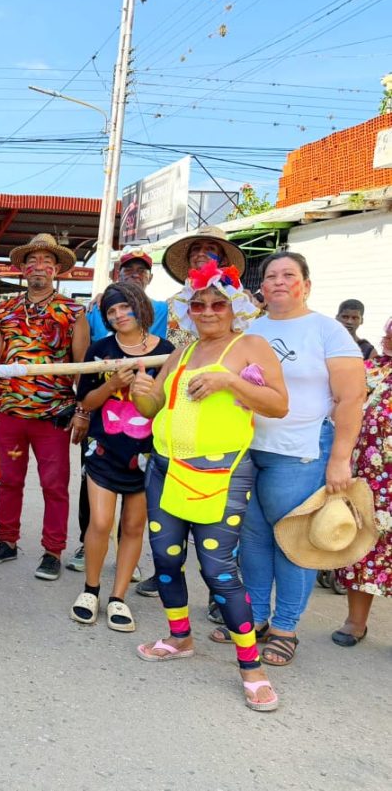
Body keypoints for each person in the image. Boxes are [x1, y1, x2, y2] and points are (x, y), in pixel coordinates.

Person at [132, 259, 287, 711]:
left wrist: (229, 380)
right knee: (165, 559)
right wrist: (139, 386)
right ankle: (179, 638)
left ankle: (251, 668)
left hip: (221, 473)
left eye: (218, 302)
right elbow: (152, 406)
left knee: (219, 570)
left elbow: (279, 405)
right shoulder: (181, 351)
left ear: (234, 306)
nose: (208, 310)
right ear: (188, 310)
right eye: (198, 303)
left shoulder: (251, 344)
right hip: (164, 467)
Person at [230, 252, 366, 667]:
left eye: (289, 275)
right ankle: (254, 619)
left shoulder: (328, 331)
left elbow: (351, 398)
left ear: (306, 284)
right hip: (249, 451)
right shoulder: (249, 330)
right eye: (270, 276)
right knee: (252, 541)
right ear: (261, 287)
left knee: (295, 543)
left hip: (302, 453)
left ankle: (285, 628)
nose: (278, 282)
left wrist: (340, 458)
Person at [0, 234, 89, 580]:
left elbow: (82, 367)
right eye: (32, 261)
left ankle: (52, 550)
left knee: (54, 485)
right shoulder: (6, 310)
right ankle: (6, 541)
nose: (38, 267)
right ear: (23, 269)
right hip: (10, 412)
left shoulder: (73, 311)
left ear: (57, 270)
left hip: (53, 415)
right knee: (9, 481)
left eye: (46, 262)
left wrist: (82, 411)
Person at [70, 283, 174, 631]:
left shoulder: (167, 352)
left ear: (139, 307)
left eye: (124, 308)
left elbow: (170, 405)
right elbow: (86, 402)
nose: (118, 316)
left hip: (148, 454)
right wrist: (112, 384)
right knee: (99, 523)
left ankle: (117, 598)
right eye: (111, 312)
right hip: (103, 449)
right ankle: (91, 589)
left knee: (132, 526)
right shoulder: (100, 350)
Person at [333, 317, 392, 646]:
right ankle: (356, 622)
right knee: (362, 547)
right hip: (367, 481)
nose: (386, 336)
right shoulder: (370, 369)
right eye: (387, 330)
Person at [162, 226, 250, 349]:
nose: (201, 253)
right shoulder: (173, 304)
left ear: (223, 260)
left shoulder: (238, 302)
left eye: (210, 249)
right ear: (189, 259)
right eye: (196, 249)